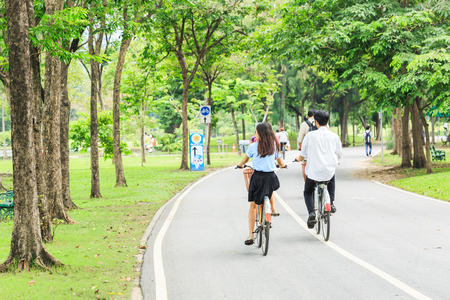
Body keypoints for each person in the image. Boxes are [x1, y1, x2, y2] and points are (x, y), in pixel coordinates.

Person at [237, 122, 286, 245]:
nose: (255, 134)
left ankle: (250, 235)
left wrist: (240, 165)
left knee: (253, 205)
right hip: (270, 178)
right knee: (269, 194)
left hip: (258, 178)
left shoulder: (253, 146)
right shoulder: (274, 146)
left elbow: (244, 160)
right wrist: (283, 166)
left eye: (256, 132)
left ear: (260, 133)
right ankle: (271, 210)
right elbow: (281, 163)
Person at [295, 110, 342, 228]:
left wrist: (298, 158)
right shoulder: (334, 136)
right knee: (331, 178)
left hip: (313, 172)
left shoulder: (310, 136)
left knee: (308, 191)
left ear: (316, 122)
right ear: (327, 121)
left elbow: (303, 154)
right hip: (328, 171)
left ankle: (311, 213)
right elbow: (339, 153)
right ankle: (331, 204)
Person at [297, 109, 317, 181]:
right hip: (322, 150)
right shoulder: (323, 123)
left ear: (308, 116)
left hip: (308, 151)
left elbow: (300, 140)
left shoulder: (304, 124)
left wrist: (300, 147)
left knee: (305, 164)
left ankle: (307, 183)